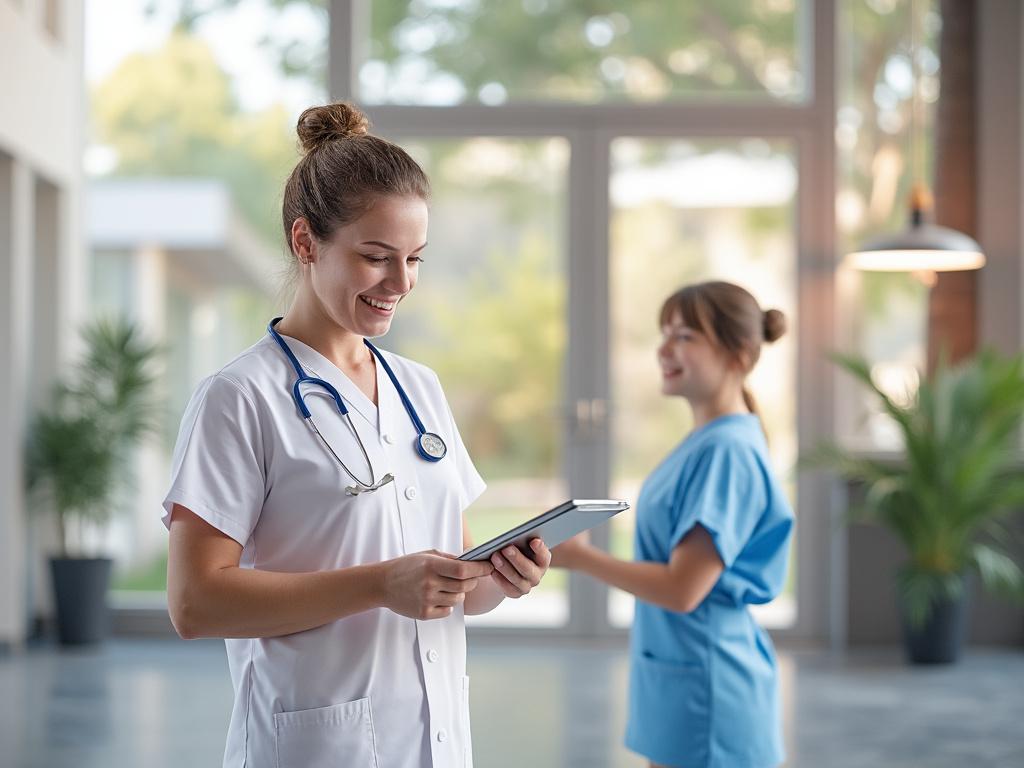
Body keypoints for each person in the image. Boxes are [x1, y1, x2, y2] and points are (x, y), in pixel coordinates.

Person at [162, 101, 552, 768]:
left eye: (414, 259)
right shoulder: (239, 399)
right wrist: (377, 585)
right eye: (376, 257)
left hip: (433, 742)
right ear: (305, 242)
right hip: (315, 746)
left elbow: (457, 579)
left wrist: (501, 578)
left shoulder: (418, 389)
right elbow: (196, 603)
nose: (401, 283)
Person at [552, 281, 794, 768]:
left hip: (710, 692)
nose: (664, 349)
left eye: (685, 336)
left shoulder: (726, 450)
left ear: (738, 353)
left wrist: (582, 558)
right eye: (665, 334)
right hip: (685, 680)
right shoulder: (709, 440)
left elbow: (684, 589)